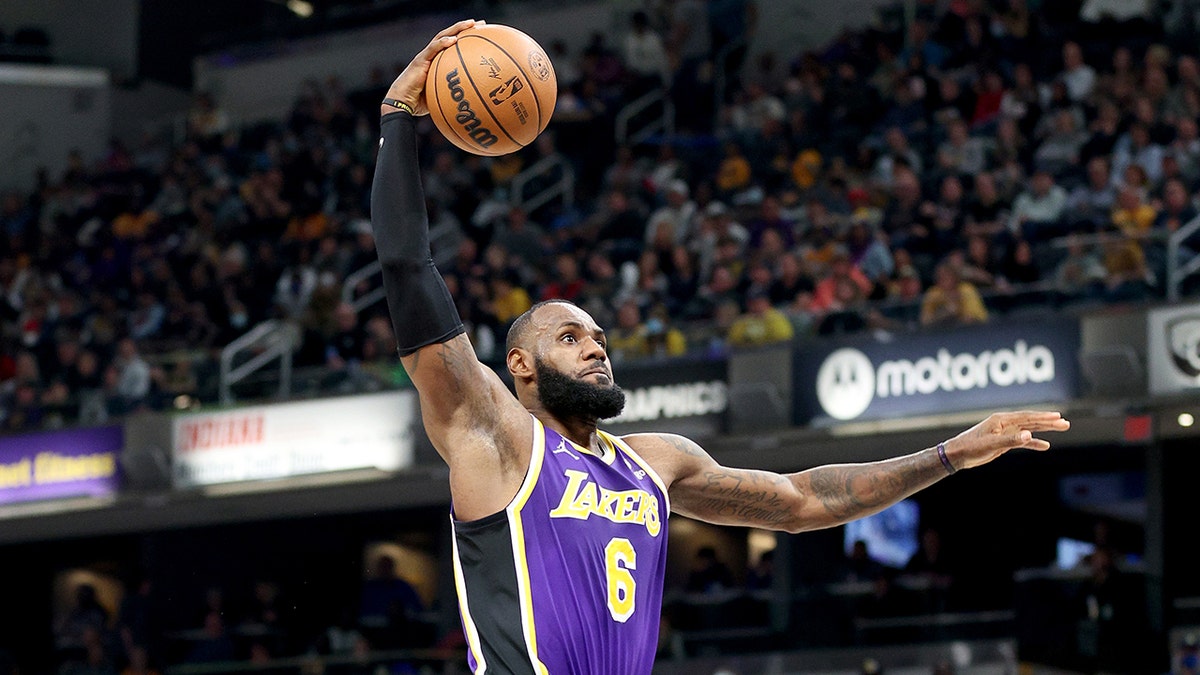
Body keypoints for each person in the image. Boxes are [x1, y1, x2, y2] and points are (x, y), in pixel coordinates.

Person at [369, 21, 1071, 674]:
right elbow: (409, 270)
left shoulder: (655, 463)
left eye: (600, 338)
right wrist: (398, 123)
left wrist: (950, 452)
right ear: (518, 363)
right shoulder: (495, 433)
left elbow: (802, 499)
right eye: (570, 336)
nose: (595, 349)